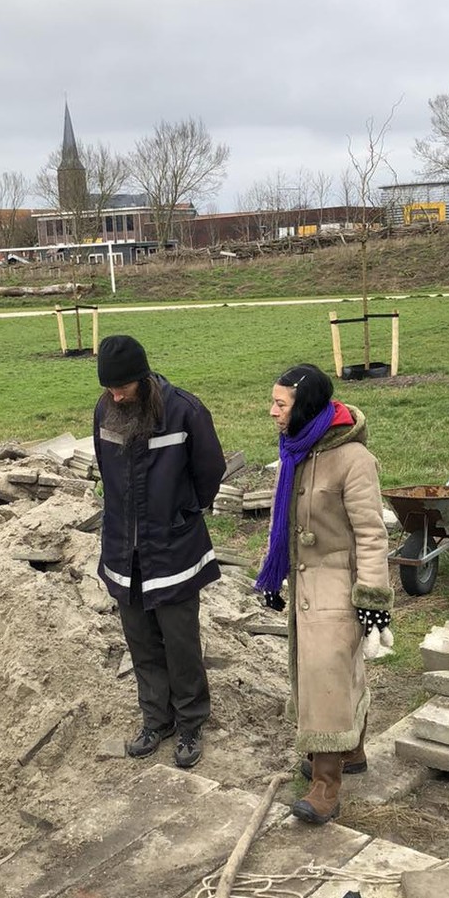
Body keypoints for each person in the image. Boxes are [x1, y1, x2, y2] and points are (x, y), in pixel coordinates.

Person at [256, 364, 393, 825]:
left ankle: (326, 786)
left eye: (281, 404)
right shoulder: (295, 450)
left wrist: (373, 601)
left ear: (307, 408)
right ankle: (350, 752)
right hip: (303, 581)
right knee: (324, 674)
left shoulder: (353, 461)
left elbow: (372, 535)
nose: (272, 411)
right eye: (273, 402)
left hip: (337, 583)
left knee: (325, 681)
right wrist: (271, 577)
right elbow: (283, 520)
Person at [93, 334, 226, 769]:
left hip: (173, 550)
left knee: (181, 642)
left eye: (124, 387)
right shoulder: (105, 410)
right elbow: (107, 472)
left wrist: (184, 512)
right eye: (110, 388)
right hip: (123, 551)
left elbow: (211, 469)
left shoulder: (184, 410)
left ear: (144, 377)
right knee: (142, 643)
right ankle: (156, 718)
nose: (116, 395)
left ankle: (190, 722)